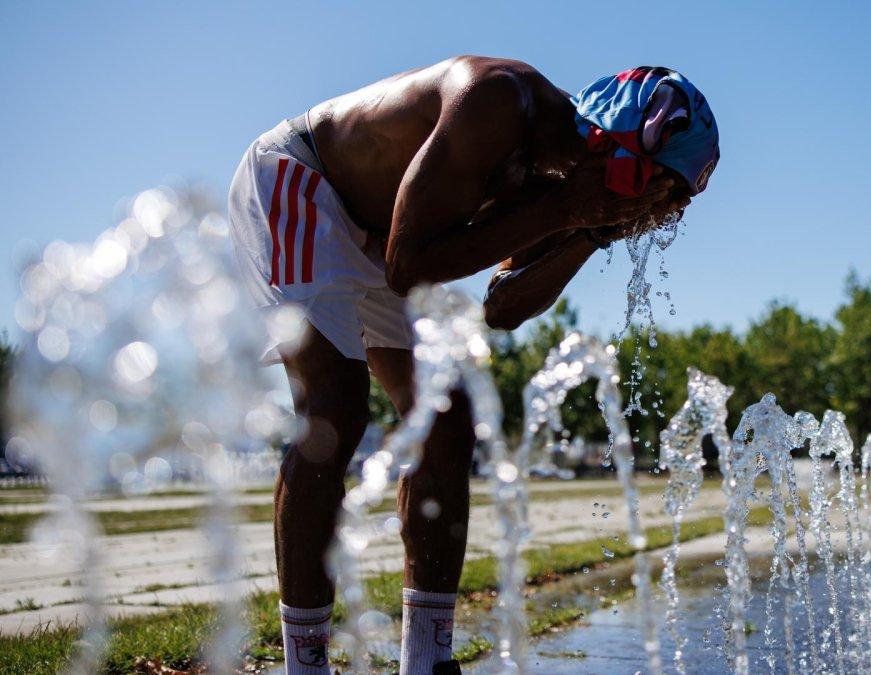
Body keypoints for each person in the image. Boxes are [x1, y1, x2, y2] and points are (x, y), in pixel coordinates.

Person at [227, 56, 718, 675]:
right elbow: (408, 266)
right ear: (618, 151)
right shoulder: (495, 99)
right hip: (305, 184)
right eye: (656, 192)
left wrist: (588, 235)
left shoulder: (559, 183)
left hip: (389, 234)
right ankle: (306, 662)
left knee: (448, 418)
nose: (654, 215)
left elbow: (503, 308)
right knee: (336, 409)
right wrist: (567, 213)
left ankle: (426, 659)